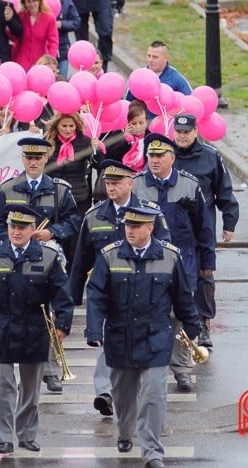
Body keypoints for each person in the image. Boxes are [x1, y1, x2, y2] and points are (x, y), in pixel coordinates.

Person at [85, 205, 200, 468]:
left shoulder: (170, 257)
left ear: (150, 228)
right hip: (120, 338)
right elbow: (96, 295)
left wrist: (192, 327)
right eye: (128, 226)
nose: (130, 230)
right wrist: (93, 329)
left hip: (156, 339)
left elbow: (182, 295)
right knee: (123, 396)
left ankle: (152, 451)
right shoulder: (110, 256)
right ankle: (125, 432)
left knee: (154, 394)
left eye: (136, 226)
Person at [68, 160, 169, 417]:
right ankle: (104, 391)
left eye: (115, 184)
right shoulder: (94, 215)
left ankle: (135, 393)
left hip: (143, 288)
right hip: (107, 291)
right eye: (107, 184)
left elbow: (166, 251)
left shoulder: (149, 212)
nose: (110, 188)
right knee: (107, 341)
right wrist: (71, 299)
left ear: (129, 184)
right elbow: (81, 261)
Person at [0, 204, 73, 455]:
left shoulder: (48, 256)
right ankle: (3, 437)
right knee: (4, 385)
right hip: (2, 327)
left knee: (30, 387)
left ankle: (27, 434)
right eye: (12, 227)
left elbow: (61, 292)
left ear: (33, 229)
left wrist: (62, 323)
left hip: (34, 327)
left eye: (21, 228)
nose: (16, 232)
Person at [131, 134, 215, 392]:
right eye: (151, 156)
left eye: (159, 156)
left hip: (183, 260)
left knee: (180, 313)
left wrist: (207, 262)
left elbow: (204, 226)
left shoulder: (189, 185)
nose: (154, 160)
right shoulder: (135, 185)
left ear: (172, 158)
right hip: (145, 260)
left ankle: (181, 369)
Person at [173, 113, 239, 348]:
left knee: (204, 275)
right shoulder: (165, 155)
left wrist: (229, 222)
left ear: (195, 132)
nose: (181, 136)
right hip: (172, 227)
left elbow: (224, 191)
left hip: (202, 227)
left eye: (186, 132)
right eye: (178, 132)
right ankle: (173, 323)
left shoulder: (210, 157)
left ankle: (203, 324)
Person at [11, 0, 58, 71]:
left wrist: (51, 61)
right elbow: (14, 36)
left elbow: (53, 42)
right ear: (24, 3)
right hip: (21, 60)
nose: (32, 4)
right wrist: (9, 22)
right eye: (28, 1)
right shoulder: (21, 16)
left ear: (39, 1)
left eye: (34, 0)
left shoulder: (49, 18)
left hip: (41, 61)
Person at [45, 0, 81, 78]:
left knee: (62, 80)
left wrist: (62, 24)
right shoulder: (39, 3)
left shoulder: (66, 2)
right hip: (44, 52)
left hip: (62, 49)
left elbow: (76, 21)